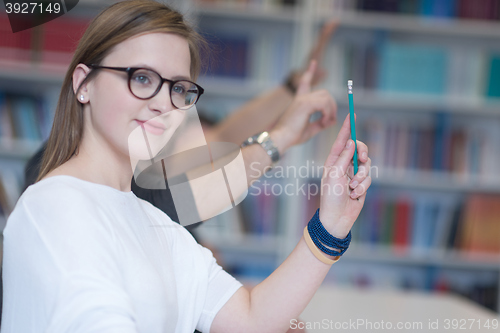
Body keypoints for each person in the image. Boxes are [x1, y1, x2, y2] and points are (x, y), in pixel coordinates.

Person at [1, 1, 372, 332]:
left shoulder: (159, 226)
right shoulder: (56, 207)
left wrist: (332, 224)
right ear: (84, 84)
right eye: (142, 78)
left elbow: (250, 317)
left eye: (179, 89)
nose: (164, 103)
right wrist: (285, 128)